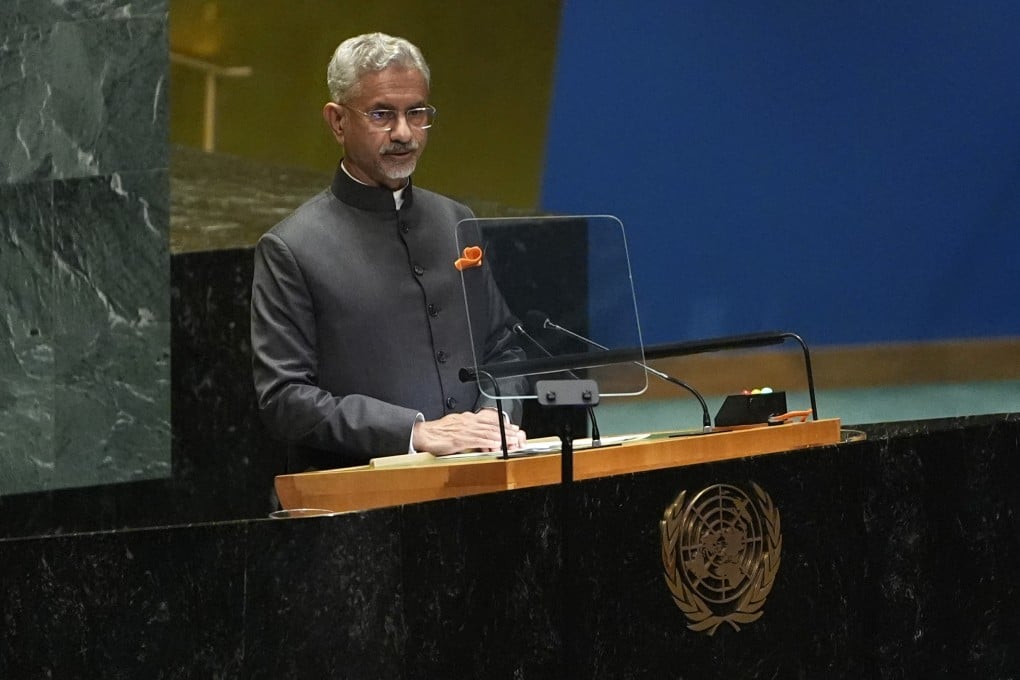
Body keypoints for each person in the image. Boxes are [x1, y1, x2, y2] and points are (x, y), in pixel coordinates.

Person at [251, 32, 528, 472]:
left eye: (416, 113)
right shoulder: (290, 248)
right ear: (338, 121)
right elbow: (285, 399)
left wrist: (495, 417)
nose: (404, 133)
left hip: (484, 479)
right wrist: (415, 432)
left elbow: (504, 348)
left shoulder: (457, 221)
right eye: (382, 114)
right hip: (361, 506)